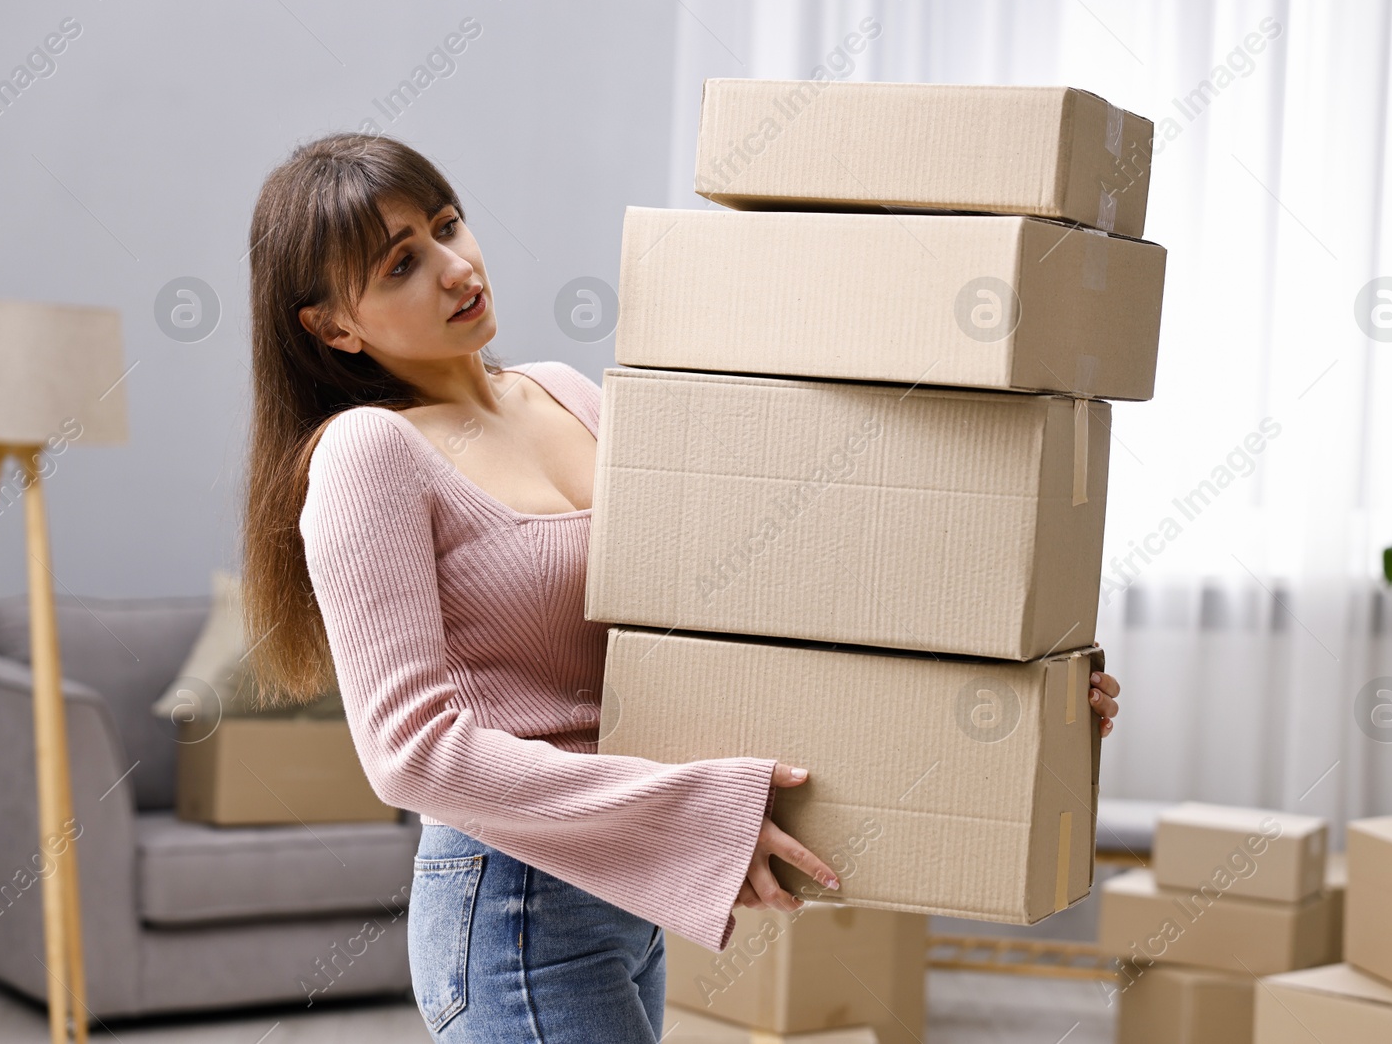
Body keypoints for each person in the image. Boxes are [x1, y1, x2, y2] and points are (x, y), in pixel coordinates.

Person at [239, 133, 1123, 1042]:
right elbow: (409, 749)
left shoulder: (566, 395)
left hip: (625, 890)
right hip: (515, 903)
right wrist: (688, 811)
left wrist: (1028, 689)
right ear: (332, 327)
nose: (456, 267)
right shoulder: (367, 453)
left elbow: (753, 603)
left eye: (448, 225)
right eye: (401, 265)